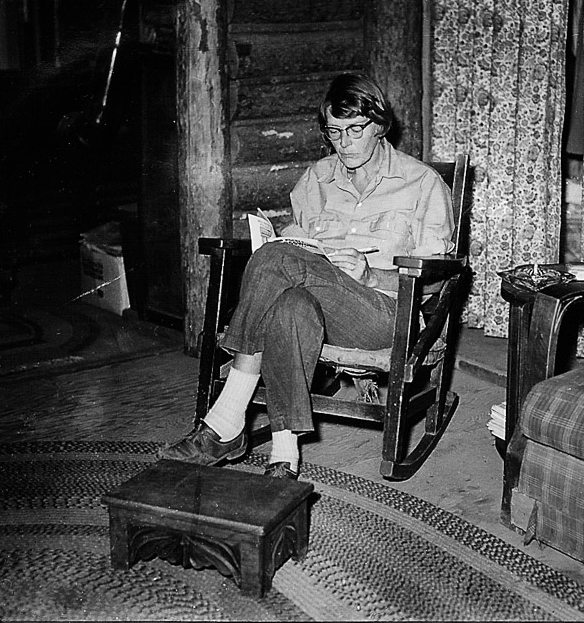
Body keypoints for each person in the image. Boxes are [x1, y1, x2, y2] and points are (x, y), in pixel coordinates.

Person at [159, 73, 455, 479]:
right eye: (335, 132)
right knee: (288, 302)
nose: (345, 142)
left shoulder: (422, 183)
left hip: (383, 316)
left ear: (380, 125)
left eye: (355, 129)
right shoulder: (316, 179)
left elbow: (435, 277)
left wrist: (372, 275)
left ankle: (228, 417)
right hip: (316, 306)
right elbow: (295, 248)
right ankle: (285, 455)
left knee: (279, 260)